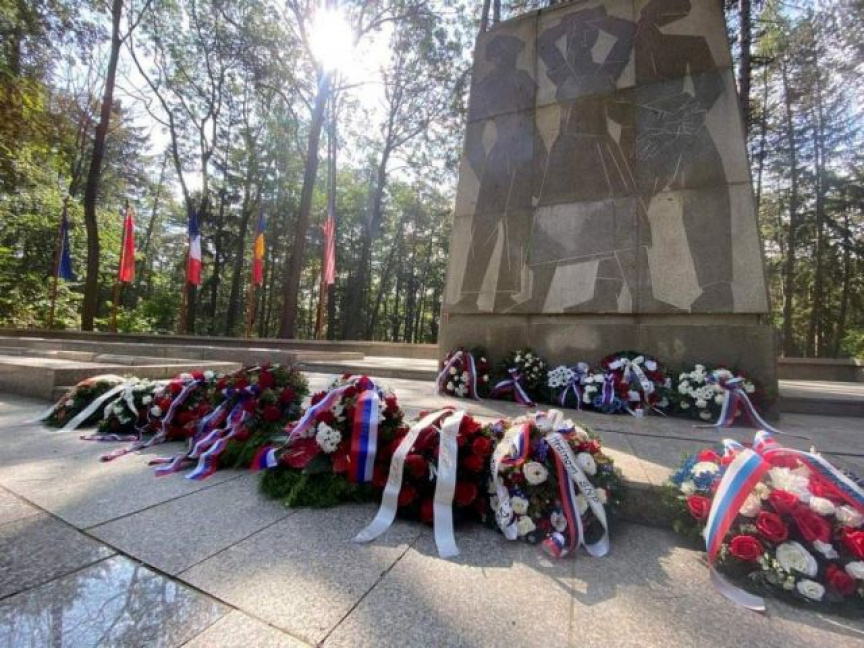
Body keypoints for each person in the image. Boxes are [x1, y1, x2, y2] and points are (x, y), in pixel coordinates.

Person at [457, 34, 536, 312]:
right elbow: (473, 142)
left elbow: (534, 126)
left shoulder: (526, 80)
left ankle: (505, 294)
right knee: (484, 230)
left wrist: (539, 167)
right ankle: (469, 296)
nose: (511, 56)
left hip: (525, 163)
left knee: (517, 230)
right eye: (505, 51)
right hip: (497, 163)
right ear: (496, 56)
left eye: (514, 51)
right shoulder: (486, 86)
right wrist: (486, 175)